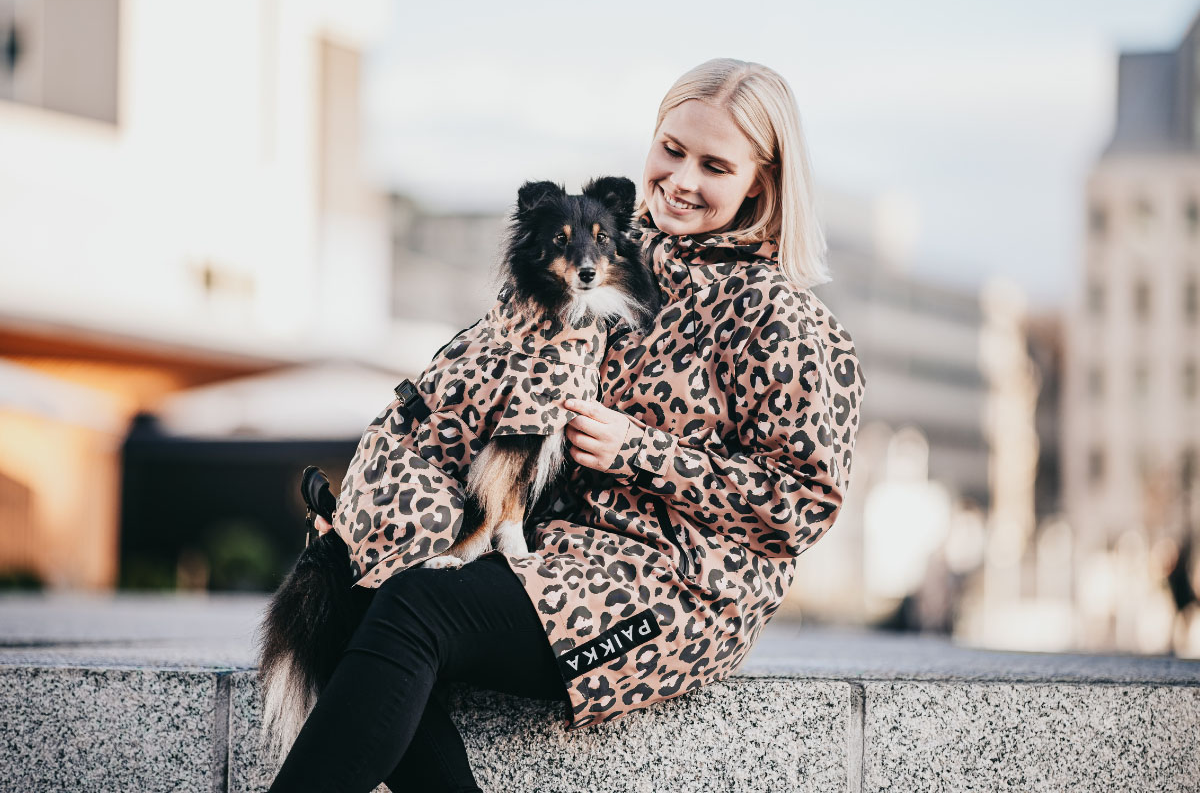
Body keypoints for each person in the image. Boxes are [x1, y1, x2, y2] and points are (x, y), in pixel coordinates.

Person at [267, 57, 866, 792]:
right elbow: (486, 379)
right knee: (347, 593)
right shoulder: (598, 249)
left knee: (415, 607)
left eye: (714, 165)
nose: (680, 179)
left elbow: (802, 502)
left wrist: (640, 452)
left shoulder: (785, 320)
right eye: (671, 149)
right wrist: (380, 507)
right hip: (552, 551)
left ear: (762, 184)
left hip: (674, 595)